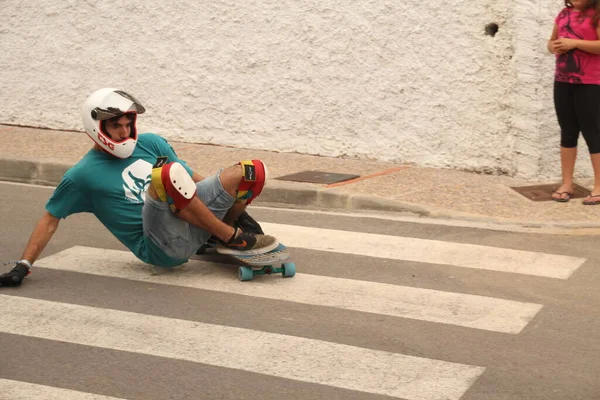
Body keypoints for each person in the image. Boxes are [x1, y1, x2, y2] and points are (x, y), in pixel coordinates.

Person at [0, 88, 278, 287]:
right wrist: (23, 266)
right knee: (166, 176)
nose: (124, 132)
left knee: (251, 170)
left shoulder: (151, 143)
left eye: (127, 124)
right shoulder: (82, 176)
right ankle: (232, 237)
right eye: (115, 126)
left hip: (194, 221)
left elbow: (194, 180)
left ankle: (220, 234)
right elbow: (50, 219)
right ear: (97, 128)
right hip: (163, 246)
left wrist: (233, 206)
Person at [548, 0, 600, 204]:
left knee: (593, 132)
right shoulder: (563, 14)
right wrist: (554, 46)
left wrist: (574, 43)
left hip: (591, 82)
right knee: (567, 131)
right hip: (562, 81)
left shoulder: (596, 14)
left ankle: (598, 187)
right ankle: (567, 184)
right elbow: (550, 42)